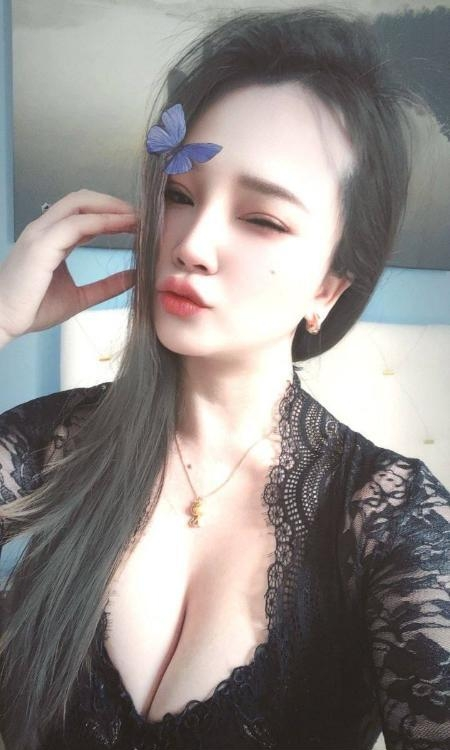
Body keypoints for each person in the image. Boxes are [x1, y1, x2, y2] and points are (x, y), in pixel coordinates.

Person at [0, 6, 449, 750]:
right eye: (179, 196)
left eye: (262, 220)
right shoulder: (46, 445)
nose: (192, 243)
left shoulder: (388, 519)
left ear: (328, 287)